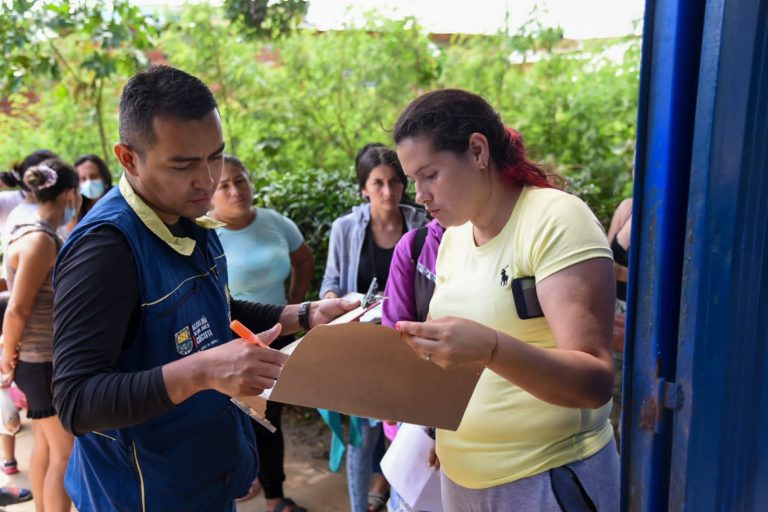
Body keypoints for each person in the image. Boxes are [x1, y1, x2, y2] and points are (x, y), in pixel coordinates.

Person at [50, 65, 355, 512]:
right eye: (183, 164)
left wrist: (303, 315)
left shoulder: (189, 216)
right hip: (142, 494)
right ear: (128, 158)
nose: (207, 179)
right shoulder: (105, 250)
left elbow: (216, 312)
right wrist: (201, 370)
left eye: (215, 156)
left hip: (206, 477)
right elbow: (76, 402)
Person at [393, 89, 619, 511]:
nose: (419, 195)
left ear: (478, 151)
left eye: (430, 175)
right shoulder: (454, 238)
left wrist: (492, 348)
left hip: (544, 476)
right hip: (461, 478)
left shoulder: (555, 220)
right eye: (413, 180)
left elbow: (594, 382)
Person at [320, 143, 427, 512]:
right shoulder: (345, 228)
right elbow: (330, 283)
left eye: (395, 181)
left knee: (409, 431)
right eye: (378, 183)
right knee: (362, 436)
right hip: (362, 344)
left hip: (409, 344)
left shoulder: (423, 226)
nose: (388, 191)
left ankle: (400, 500)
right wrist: (338, 302)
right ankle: (357, 505)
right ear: (363, 187)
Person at [209, 154, 314, 512]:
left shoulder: (274, 222)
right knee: (235, 417)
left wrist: (296, 302)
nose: (235, 190)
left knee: (268, 417)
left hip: (280, 331)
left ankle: (274, 496)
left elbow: (303, 258)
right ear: (210, 193)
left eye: (240, 180)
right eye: (224, 185)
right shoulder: (204, 234)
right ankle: (245, 475)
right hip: (231, 340)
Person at [1, 158, 79, 512]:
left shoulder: (32, 232)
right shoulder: (40, 240)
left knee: (48, 447)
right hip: (41, 361)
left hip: (39, 361)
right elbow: (17, 307)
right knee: (66, 454)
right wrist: (7, 355)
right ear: (70, 195)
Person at [380, 218, 445, 512]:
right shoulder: (415, 245)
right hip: (418, 422)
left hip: (483, 429)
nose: (420, 197)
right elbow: (396, 334)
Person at [607, 195, 632, 444]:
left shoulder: (667, 209)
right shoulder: (627, 208)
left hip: (642, 323)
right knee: (609, 395)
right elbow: (605, 262)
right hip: (614, 318)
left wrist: (622, 273)